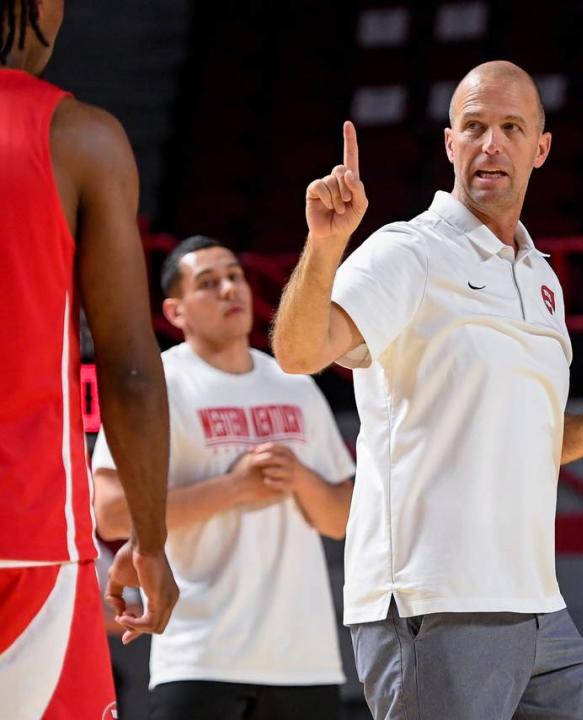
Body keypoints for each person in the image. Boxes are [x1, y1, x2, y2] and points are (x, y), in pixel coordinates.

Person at [272, 60, 583, 719]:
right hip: (435, 602)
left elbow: (532, 444)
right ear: (449, 144)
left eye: (511, 127)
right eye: (475, 127)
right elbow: (297, 351)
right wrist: (326, 246)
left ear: (539, 148)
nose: (492, 143)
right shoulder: (407, 251)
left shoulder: (542, 280)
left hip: (537, 603)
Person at [92, 235, 356, 720]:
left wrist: (299, 477)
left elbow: (341, 520)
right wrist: (233, 488)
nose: (229, 289)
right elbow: (109, 513)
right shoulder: (158, 386)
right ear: (176, 311)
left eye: (234, 276)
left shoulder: (293, 382)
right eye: (208, 283)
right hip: (198, 654)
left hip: (304, 659)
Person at [0, 1, 178, 718]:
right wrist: (150, 539)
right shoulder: (80, 138)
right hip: (28, 534)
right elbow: (129, 370)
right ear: (43, 10)